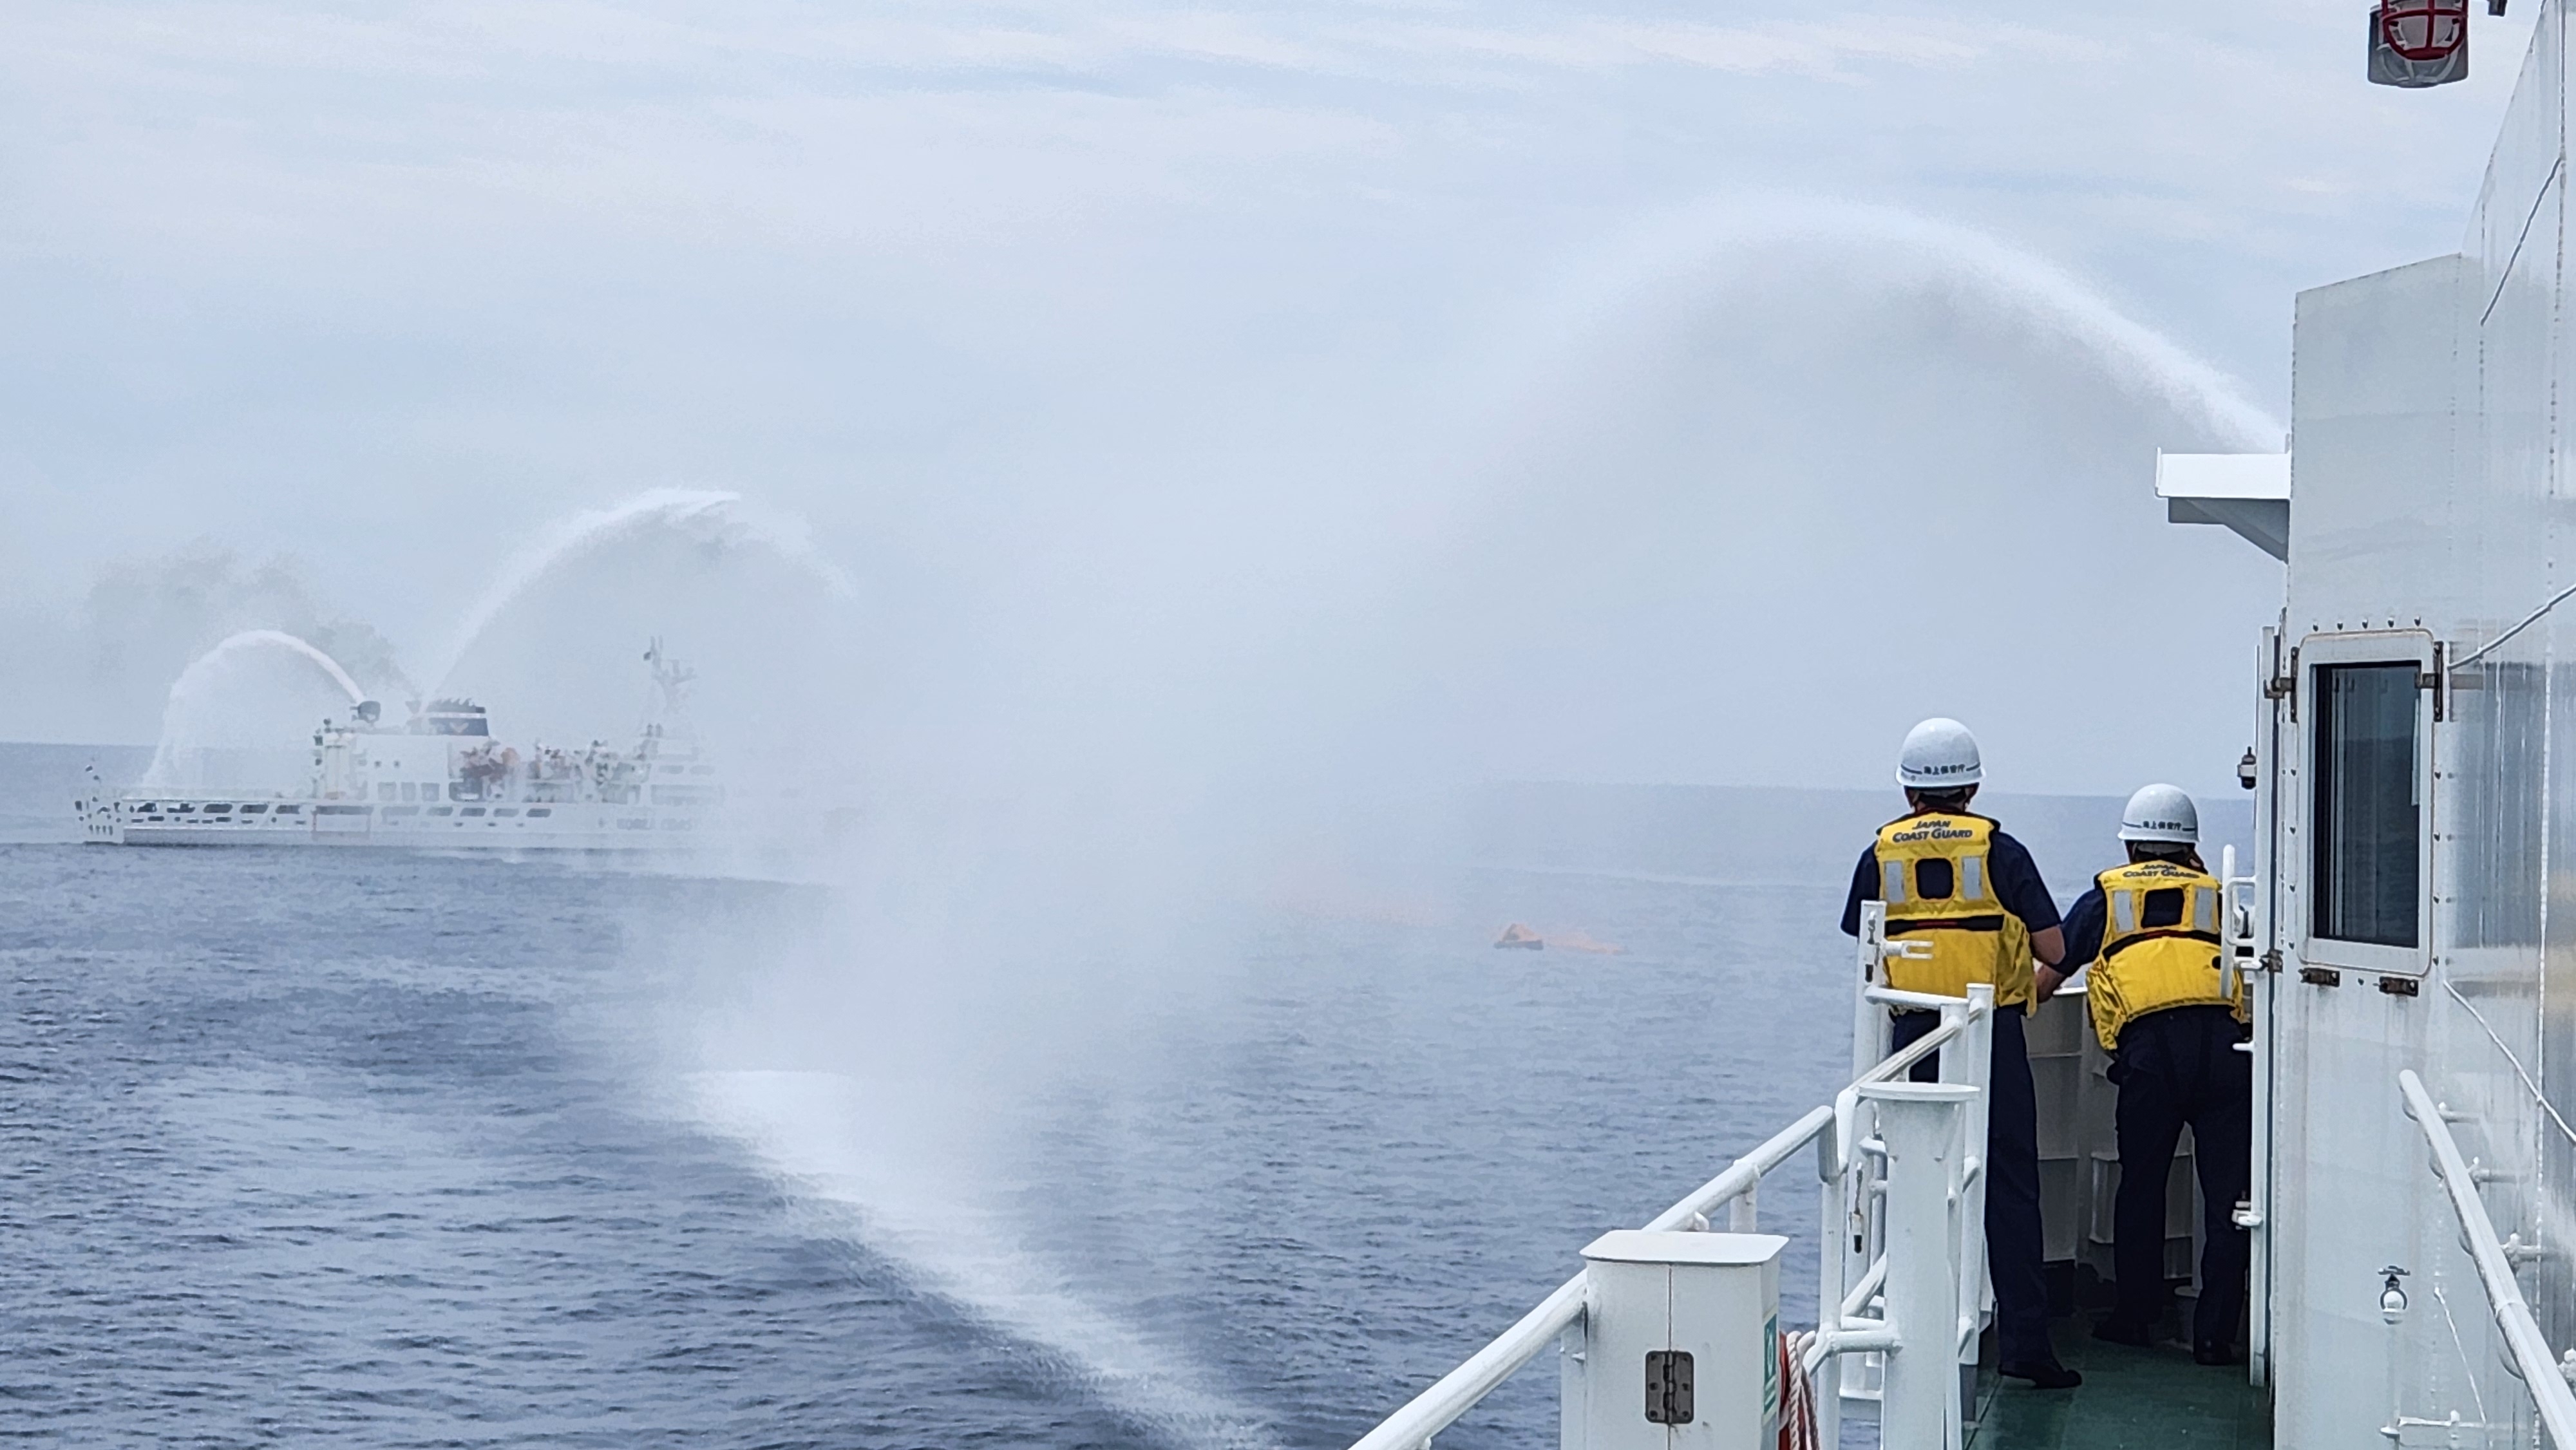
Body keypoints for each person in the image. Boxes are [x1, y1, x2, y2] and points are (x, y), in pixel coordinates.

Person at [1839, 718, 2080, 1390]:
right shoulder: (2002, 851)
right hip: (1989, 1034)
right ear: (1971, 785)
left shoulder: (1879, 853)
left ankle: (1910, 1332)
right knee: (2008, 1182)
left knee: (1912, 1180)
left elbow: (1861, 940)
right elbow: (2055, 949)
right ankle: (2025, 1344)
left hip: (1910, 1038)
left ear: (1909, 789)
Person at [2061, 784, 2249, 1366]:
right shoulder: (2219, 896)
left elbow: (2054, 966)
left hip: (2150, 1054)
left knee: (2140, 1186)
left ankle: (2134, 1318)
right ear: (2191, 847)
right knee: (2228, 1201)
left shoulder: (2107, 896)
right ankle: (2216, 1336)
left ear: (2131, 847)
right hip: (2225, 1049)